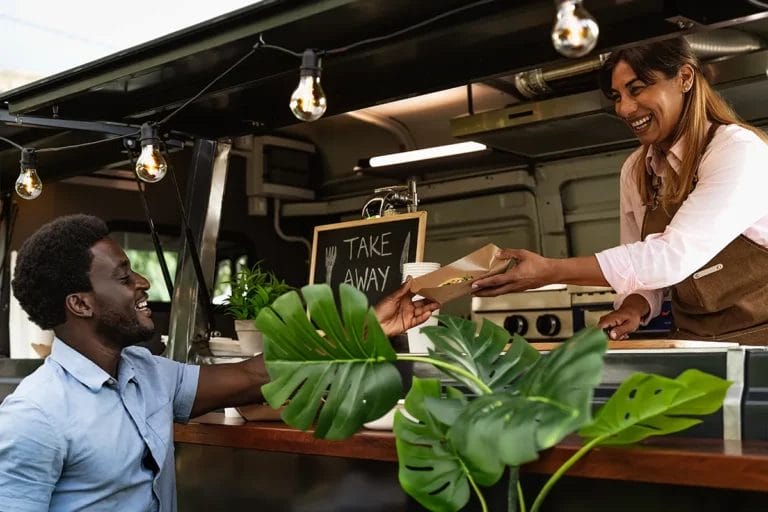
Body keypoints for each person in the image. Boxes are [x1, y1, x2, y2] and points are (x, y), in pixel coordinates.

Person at [0, 214, 438, 511]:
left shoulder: (145, 372)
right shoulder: (35, 416)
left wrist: (368, 330)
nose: (142, 281)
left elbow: (255, 374)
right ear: (80, 303)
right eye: (123, 276)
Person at [472, 37, 768, 344]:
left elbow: (671, 257)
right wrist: (634, 306)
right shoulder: (637, 170)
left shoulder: (736, 151)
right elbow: (645, 268)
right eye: (616, 96)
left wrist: (551, 271)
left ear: (684, 78)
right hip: (698, 343)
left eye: (637, 89)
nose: (624, 108)